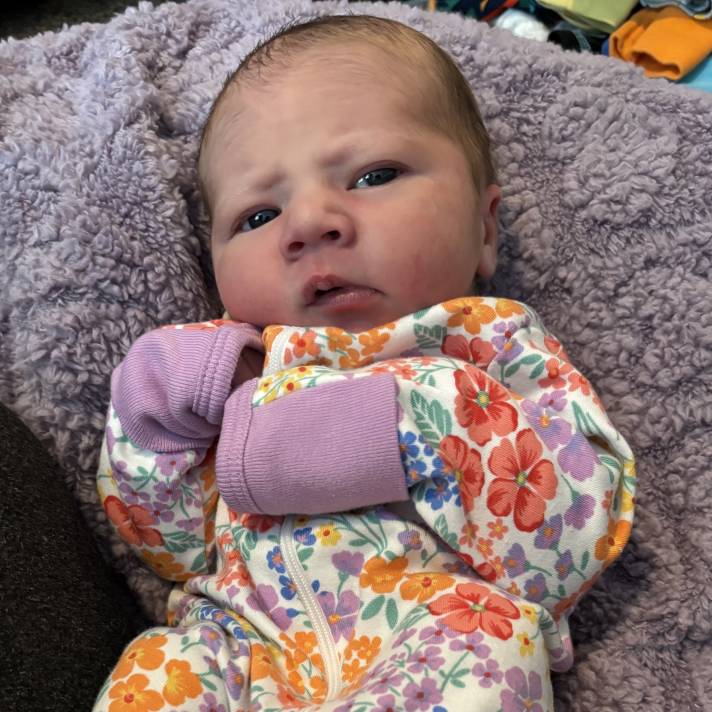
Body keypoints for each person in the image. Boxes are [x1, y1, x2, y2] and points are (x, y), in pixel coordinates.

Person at [93, 14, 635, 711]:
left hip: (437, 636)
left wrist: (417, 421)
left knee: (490, 647)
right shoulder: (232, 369)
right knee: (161, 664)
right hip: (240, 645)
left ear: (485, 228)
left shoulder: (495, 347)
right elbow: (177, 551)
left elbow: (572, 545)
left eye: (373, 176)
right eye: (257, 217)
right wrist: (155, 424)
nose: (308, 223)